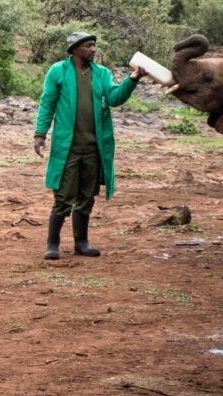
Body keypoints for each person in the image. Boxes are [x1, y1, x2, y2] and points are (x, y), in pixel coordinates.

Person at [32, 32, 144, 260]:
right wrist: (40, 133)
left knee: (87, 196)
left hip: (94, 147)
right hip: (68, 147)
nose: (93, 50)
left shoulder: (102, 74)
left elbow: (114, 98)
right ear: (74, 49)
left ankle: (81, 243)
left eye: (94, 46)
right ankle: (52, 244)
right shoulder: (58, 71)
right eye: (88, 46)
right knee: (63, 195)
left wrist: (132, 79)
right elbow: (47, 103)